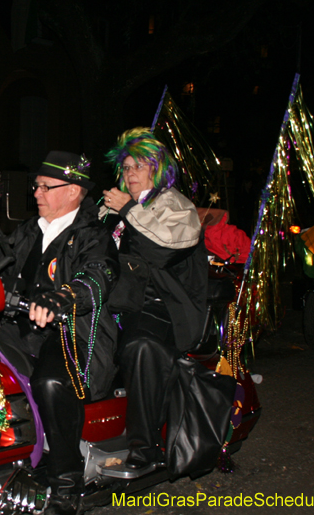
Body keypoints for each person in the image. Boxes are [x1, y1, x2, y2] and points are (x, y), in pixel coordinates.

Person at [0, 151, 117, 515]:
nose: (36, 192)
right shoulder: (30, 230)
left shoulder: (93, 235)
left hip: (72, 331)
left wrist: (64, 296)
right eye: (36, 185)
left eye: (46, 186)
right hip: (17, 328)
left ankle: (66, 483)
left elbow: (98, 275)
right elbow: (0, 265)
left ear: (74, 191)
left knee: (51, 381)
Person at [100, 127, 208, 471]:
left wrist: (129, 209)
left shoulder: (175, 205)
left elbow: (161, 252)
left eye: (138, 166)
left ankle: (144, 449)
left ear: (156, 169)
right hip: (115, 304)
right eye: (126, 167)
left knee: (140, 347)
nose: (130, 173)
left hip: (161, 308)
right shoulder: (113, 208)